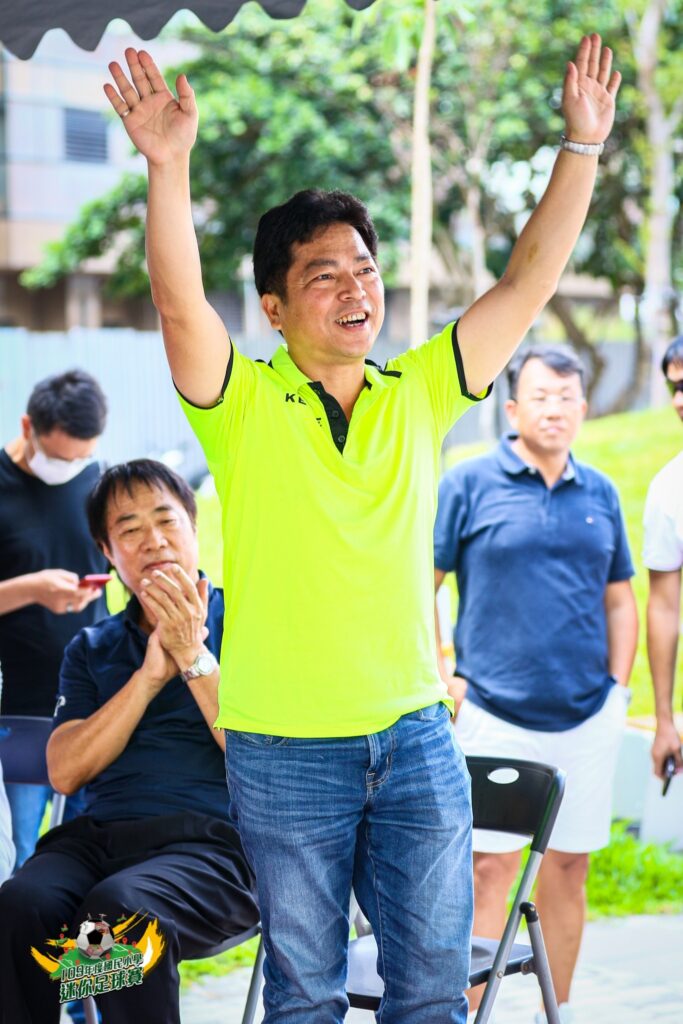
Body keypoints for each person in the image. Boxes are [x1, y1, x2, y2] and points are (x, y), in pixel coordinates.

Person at [104, 34, 621, 1023]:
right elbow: (177, 304)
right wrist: (167, 166)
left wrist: (581, 148)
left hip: (414, 733)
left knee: (428, 992)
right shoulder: (241, 403)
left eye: (365, 268)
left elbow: (525, 282)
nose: (356, 289)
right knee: (305, 994)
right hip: (282, 746)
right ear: (272, 307)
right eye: (323, 275)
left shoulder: (421, 390)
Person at [0, 459, 259, 1024]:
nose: (153, 541)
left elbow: (263, 758)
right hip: (99, 842)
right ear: (107, 551)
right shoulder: (91, 648)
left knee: (117, 916)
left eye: (166, 520)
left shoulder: (249, 622)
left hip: (216, 847)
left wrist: (190, 653)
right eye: (130, 529)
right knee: (19, 906)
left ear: (194, 527)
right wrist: (146, 679)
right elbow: (65, 772)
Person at [434, 345, 638, 1024]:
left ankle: (560, 1011)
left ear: (584, 408)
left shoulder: (600, 491)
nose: (554, 409)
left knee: (569, 868)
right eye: (540, 397)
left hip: (586, 716)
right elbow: (420, 585)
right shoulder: (468, 482)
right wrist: (441, 674)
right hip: (491, 710)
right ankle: (468, 1014)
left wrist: (617, 690)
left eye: (566, 397)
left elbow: (620, 598)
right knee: (487, 869)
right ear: (513, 408)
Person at [0, 369, 108, 867]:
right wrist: (32, 589)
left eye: (82, 458)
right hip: (19, 707)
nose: (72, 468)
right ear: (29, 427)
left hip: (93, 701)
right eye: (62, 457)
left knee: (87, 850)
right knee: (20, 852)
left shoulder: (98, 480)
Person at [644, 335, 683, 780]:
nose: (678, 400)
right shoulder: (669, 489)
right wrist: (665, 719)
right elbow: (663, 608)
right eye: (674, 387)